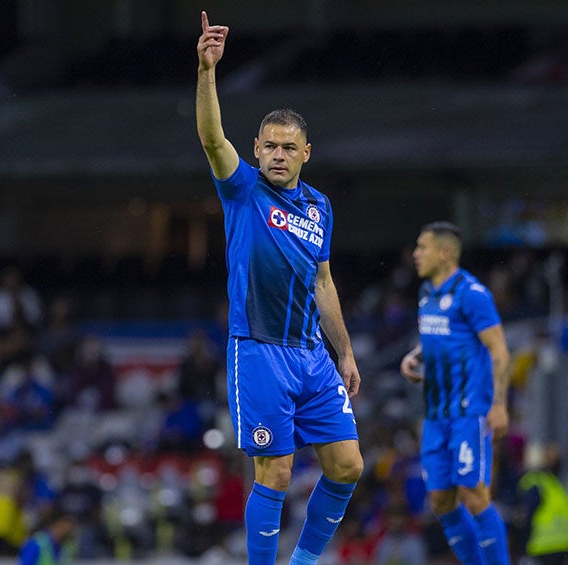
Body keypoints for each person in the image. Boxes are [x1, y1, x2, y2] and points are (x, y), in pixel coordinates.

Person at [196, 12, 364, 565]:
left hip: (312, 355)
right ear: (257, 147)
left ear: (305, 153)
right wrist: (207, 70)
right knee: (277, 470)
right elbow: (211, 137)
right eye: (268, 145)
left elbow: (322, 279)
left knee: (347, 465)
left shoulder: (320, 206)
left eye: (288, 148)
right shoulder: (242, 189)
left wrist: (345, 350)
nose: (276, 154)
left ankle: (305, 562)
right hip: (260, 350)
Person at [399, 221, 512, 565]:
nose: (416, 254)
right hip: (435, 415)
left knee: (474, 495)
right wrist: (416, 355)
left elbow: (499, 350)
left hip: (468, 412)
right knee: (440, 501)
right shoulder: (427, 293)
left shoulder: (473, 294)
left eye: (423, 247)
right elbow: (443, 335)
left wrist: (500, 405)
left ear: (445, 253)